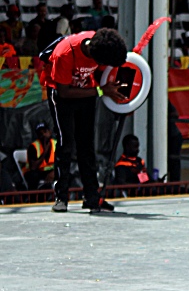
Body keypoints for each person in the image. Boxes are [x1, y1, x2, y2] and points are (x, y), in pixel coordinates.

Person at [42, 28, 128, 212]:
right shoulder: (65, 53)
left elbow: (106, 77)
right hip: (61, 94)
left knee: (87, 145)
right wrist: (100, 91)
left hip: (87, 91)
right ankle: (61, 197)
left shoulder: (101, 43)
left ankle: (92, 197)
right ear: (97, 58)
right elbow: (64, 92)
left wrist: (124, 100)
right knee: (66, 144)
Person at [23, 122, 56, 190]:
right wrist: (45, 152)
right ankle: (33, 199)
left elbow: (62, 161)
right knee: (33, 176)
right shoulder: (33, 146)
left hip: (52, 171)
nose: (43, 135)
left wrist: (54, 172)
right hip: (38, 172)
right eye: (40, 134)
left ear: (49, 132)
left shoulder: (56, 144)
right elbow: (33, 167)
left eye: (45, 132)